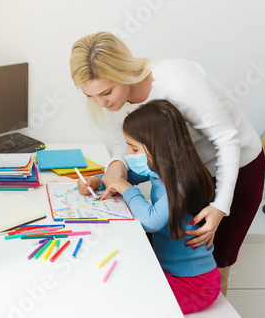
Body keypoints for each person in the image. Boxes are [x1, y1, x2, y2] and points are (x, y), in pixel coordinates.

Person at [70, 31, 265, 296]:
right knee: (186, 258)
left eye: (106, 93)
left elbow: (227, 140)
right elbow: (123, 145)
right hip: (191, 173)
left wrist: (220, 206)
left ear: (124, 72)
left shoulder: (179, 83)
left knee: (216, 264)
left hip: (237, 168)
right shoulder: (114, 102)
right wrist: (113, 175)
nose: (101, 103)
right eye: (90, 97)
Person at [78, 100, 221, 313]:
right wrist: (98, 181)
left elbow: (151, 221)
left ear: (159, 147)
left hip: (194, 285)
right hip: (168, 270)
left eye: (134, 148)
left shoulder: (180, 184)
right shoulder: (160, 169)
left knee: (119, 299)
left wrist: (126, 188)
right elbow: (127, 176)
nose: (128, 153)